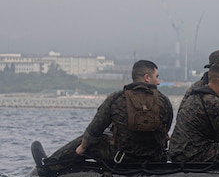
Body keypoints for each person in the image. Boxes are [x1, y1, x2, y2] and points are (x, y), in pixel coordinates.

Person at [42, 59, 173, 165]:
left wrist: (81, 149)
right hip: (154, 158)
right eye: (157, 77)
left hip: (122, 158)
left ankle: (49, 164)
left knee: (84, 141)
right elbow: (166, 129)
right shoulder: (164, 101)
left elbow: (94, 130)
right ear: (147, 78)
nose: (159, 81)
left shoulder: (116, 98)